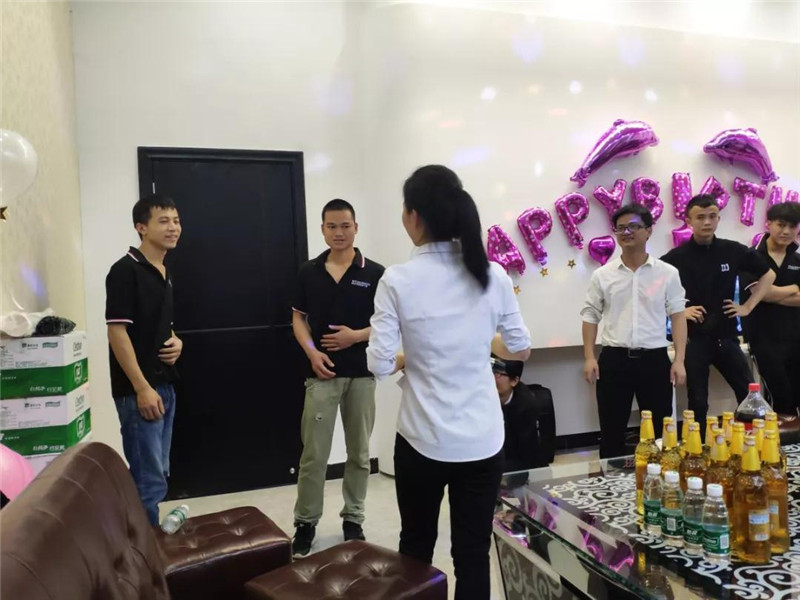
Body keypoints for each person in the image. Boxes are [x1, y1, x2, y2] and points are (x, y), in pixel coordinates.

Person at [367, 165, 531, 600]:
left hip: (420, 438)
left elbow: (379, 364)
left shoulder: (397, 279)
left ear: (414, 216)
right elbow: (520, 348)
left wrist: (411, 358)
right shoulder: (493, 273)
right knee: (473, 553)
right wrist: (478, 342)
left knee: (415, 548)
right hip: (482, 438)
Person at [290, 198, 385, 557]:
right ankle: (305, 523)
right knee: (314, 454)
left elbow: (387, 323)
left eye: (345, 226)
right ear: (323, 229)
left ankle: (353, 519)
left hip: (362, 374)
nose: (339, 232)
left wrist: (355, 336)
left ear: (356, 228)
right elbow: (298, 319)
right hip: (321, 374)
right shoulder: (309, 271)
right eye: (332, 226)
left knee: (359, 452)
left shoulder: (375, 273)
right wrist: (312, 353)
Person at [661, 194, 775, 435]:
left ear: (718, 219)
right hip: (695, 340)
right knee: (698, 401)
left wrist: (747, 306)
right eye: (700, 217)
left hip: (727, 337)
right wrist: (679, 311)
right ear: (688, 221)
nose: (707, 222)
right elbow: (652, 291)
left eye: (712, 216)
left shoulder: (732, 250)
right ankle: (699, 448)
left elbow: (769, 275)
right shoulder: (676, 257)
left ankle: (752, 443)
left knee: (748, 393)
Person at [582, 204, 687, 459]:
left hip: (655, 360)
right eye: (621, 228)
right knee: (611, 428)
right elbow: (590, 315)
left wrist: (679, 360)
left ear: (649, 231)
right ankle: (611, 481)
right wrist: (589, 357)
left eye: (633, 227)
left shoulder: (667, 273)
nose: (626, 232)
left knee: (660, 430)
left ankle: (660, 477)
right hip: (614, 359)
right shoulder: (602, 275)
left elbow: (678, 316)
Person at [105, 193, 183, 526]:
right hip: (140, 392)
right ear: (141, 227)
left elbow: (153, 323)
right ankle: (143, 550)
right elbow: (117, 332)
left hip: (164, 384)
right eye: (163, 221)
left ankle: (149, 543)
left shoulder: (162, 270)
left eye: (176, 221)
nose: (173, 227)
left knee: (158, 473)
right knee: (147, 481)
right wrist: (141, 388)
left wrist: (177, 340)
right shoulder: (125, 270)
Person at [741, 202, 800, 415]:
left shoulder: (797, 259)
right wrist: (794, 288)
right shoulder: (750, 257)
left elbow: (766, 294)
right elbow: (760, 293)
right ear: (768, 224)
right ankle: (776, 436)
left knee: (796, 396)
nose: (786, 231)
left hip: (795, 337)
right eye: (781, 224)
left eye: (792, 226)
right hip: (764, 339)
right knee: (780, 397)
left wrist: (769, 293)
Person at [491, 356, 545, 471]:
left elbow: (527, 453)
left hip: (517, 461)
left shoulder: (526, 406)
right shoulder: (482, 397)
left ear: (514, 381)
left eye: (498, 374)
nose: (493, 378)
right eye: (491, 372)